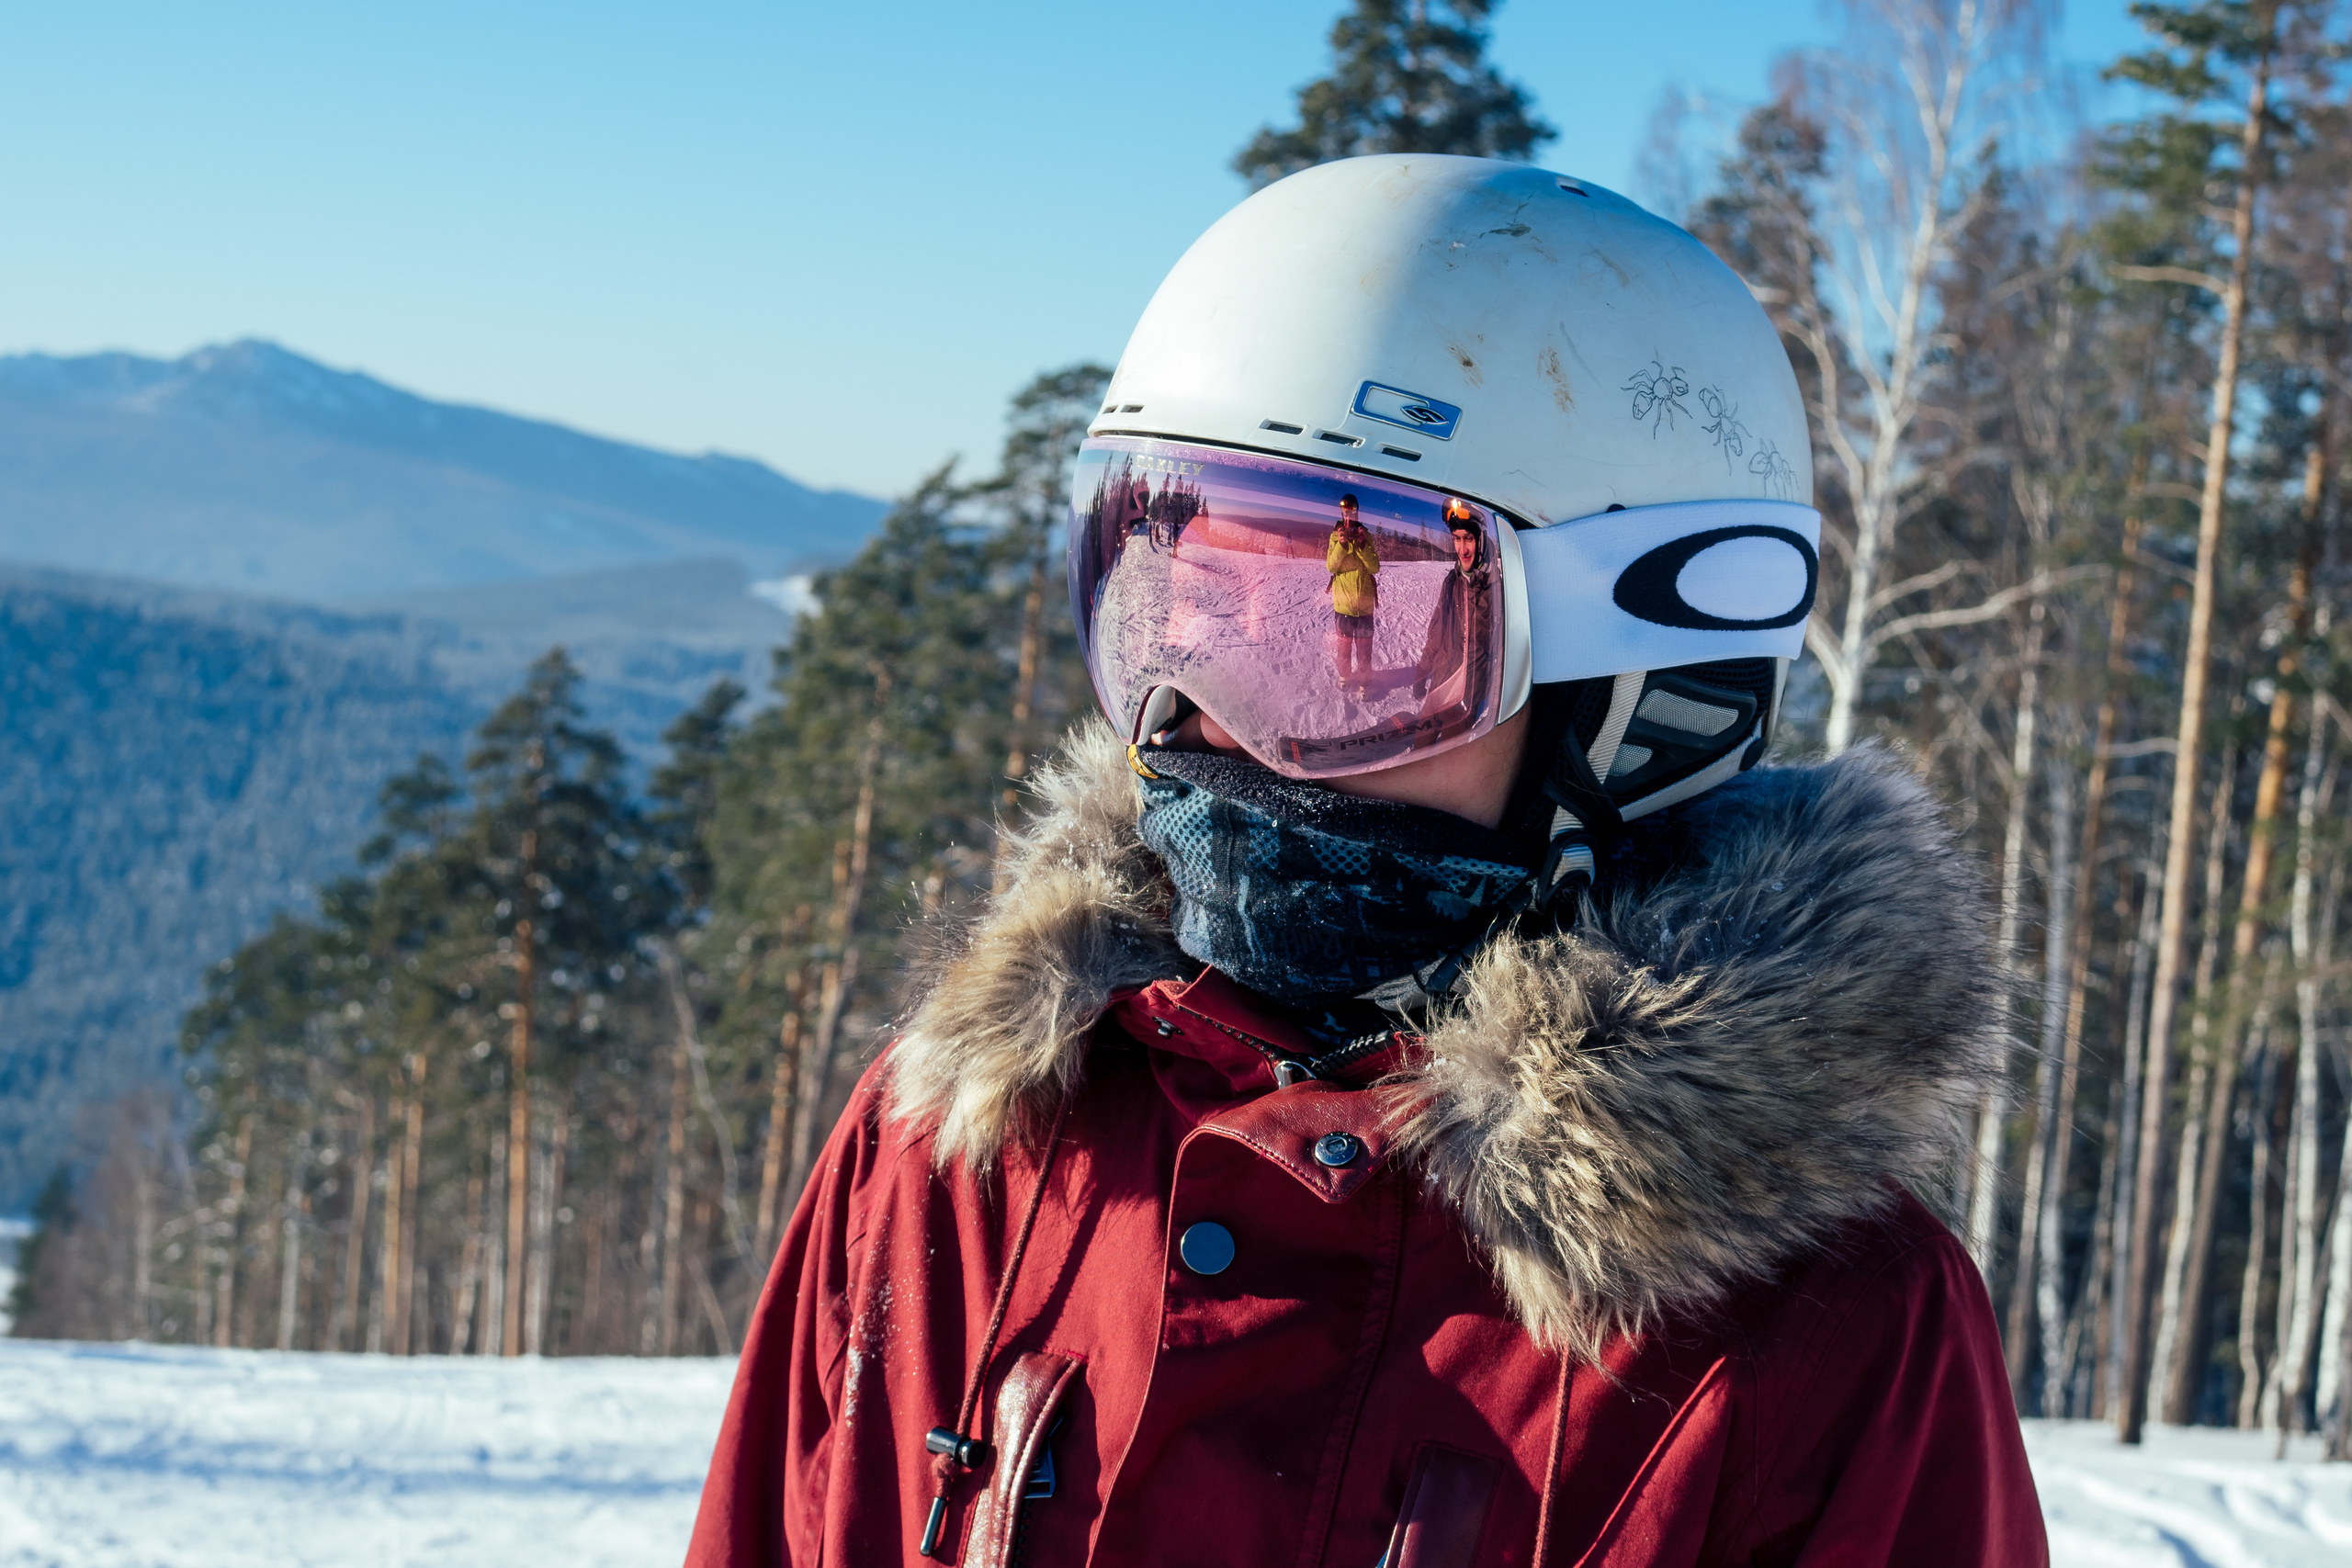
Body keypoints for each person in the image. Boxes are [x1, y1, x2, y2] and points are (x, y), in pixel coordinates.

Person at [689, 154, 2044, 1567]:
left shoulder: (1816, 1336)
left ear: (1639, 693)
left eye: (1348, 631)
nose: (1206, 713)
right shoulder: (966, 1152)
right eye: (1175, 598)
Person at [1410, 498, 1496, 731]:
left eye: (1468, 539)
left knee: (1448, 758)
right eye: (1457, 539)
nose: (1462, 549)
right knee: (1422, 746)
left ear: (1480, 540)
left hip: (1467, 696)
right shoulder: (1451, 583)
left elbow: (1504, 652)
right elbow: (1436, 634)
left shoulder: (1496, 590)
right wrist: (1421, 672)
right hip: (1441, 683)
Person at [1325, 492, 1379, 691]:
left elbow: (1374, 567)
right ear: (1341, 512)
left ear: (1357, 512)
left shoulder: (1367, 535)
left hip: (1364, 607)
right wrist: (1341, 544)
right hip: (1343, 606)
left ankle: (1364, 682)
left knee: (1365, 649)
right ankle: (1345, 676)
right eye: (1345, 511)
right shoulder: (1335, 536)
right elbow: (1331, 567)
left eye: (1352, 511)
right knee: (1343, 647)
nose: (1348, 515)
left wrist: (1363, 545)